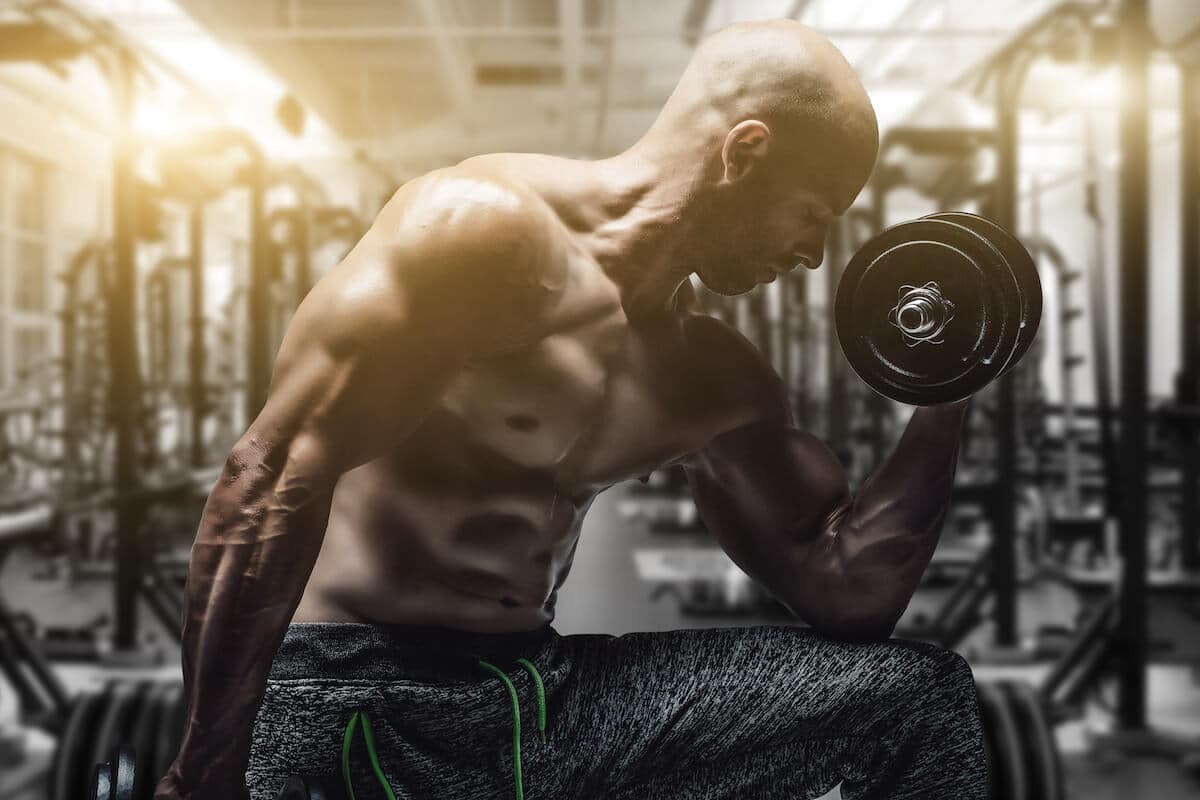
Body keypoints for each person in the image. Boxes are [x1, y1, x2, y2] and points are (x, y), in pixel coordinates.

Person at [155, 18, 987, 800]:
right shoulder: (482, 234)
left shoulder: (712, 376)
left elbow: (849, 592)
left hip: (534, 698)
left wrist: (950, 386)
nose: (812, 254)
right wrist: (202, 774)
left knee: (913, 701)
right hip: (357, 685)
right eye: (813, 214)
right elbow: (268, 474)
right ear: (746, 151)